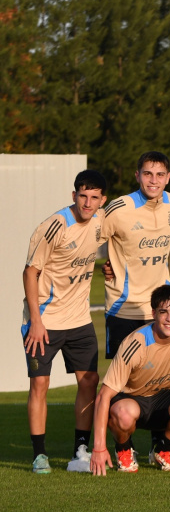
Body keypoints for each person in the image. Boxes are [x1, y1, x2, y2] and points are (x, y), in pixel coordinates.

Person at [101, 151, 170, 467]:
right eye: (148, 174)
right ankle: (124, 447)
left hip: (161, 311)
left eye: (160, 174)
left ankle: (158, 447)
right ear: (137, 175)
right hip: (125, 310)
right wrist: (105, 265)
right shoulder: (119, 208)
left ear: (168, 177)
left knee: (162, 375)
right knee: (123, 383)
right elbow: (93, 238)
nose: (154, 180)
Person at [22, 170, 107, 474]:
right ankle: (39, 455)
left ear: (102, 200)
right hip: (44, 321)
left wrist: (110, 268)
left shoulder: (101, 221)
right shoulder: (54, 226)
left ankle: (80, 450)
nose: (88, 202)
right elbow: (30, 272)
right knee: (40, 385)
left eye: (94, 197)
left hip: (79, 320)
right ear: (74, 196)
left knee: (89, 382)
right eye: (82, 195)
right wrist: (35, 320)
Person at [89, 285, 170, 475]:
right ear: (154, 313)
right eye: (164, 312)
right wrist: (98, 448)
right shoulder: (135, 344)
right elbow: (103, 396)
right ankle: (123, 450)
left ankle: (162, 450)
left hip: (162, 400)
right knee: (124, 413)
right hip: (132, 400)